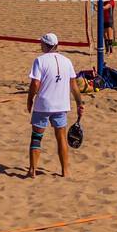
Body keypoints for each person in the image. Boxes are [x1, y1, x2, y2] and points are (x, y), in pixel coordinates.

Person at [26, 32, 84, 178]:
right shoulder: (67, 61)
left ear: (45, 45)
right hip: (61, 105)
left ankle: (32, 170)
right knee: (61, 138)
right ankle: (65, 170)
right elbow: (74, 85)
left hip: (43, 105)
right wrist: (79, 103)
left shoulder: (40, 60)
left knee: (36, 137)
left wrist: (30, 99)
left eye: (41, 43)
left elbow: (35, 83)